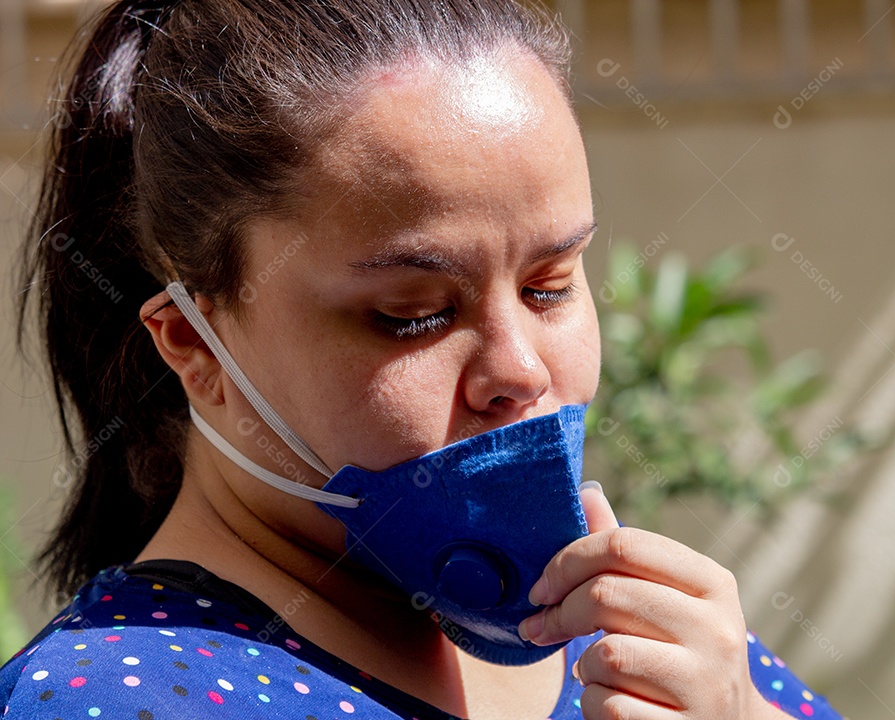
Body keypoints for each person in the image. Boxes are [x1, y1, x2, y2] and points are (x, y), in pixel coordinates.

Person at [1, 1, 845, 718]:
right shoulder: (118, 696)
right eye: (414, 316)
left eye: (551, 286)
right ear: (196, 345)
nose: (518, 370)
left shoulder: (648, 646)